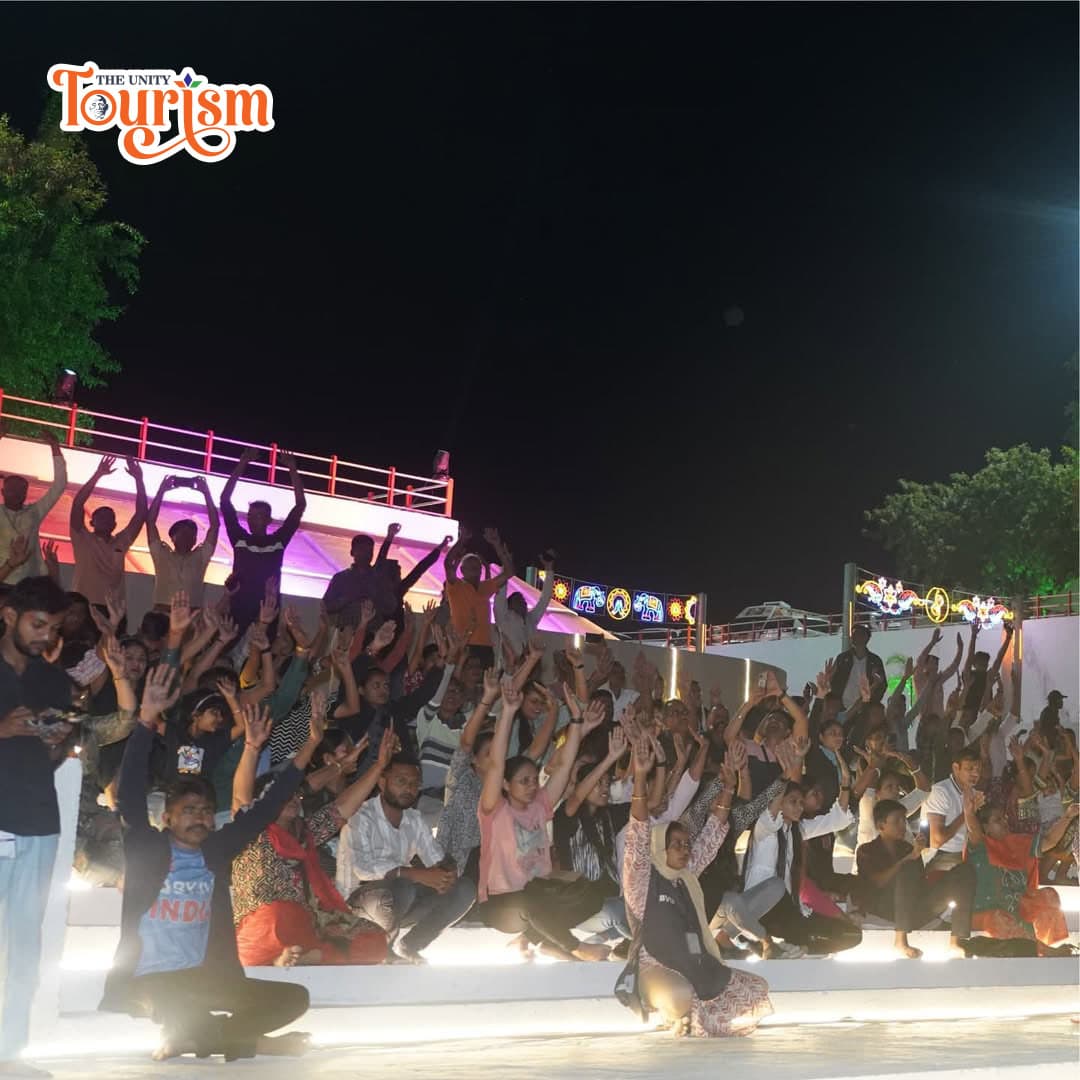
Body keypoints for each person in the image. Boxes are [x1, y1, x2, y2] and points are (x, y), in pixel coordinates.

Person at [100, 669, 311, 1063]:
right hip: (150, 979)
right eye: (188, 811)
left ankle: (197, 1038)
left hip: (202, 977)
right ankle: (251, 1043)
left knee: (294, 998)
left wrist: (307, 744)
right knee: (181, 1007)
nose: (199, 818)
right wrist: (145, 721)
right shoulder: (148, 848)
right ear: (167, 818)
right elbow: (129, 795)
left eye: (204, 811)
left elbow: (265, 808)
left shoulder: (215, 851)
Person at [617, 734, 773, 1038]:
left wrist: (729, 787)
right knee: (680, 995)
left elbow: (713, 833)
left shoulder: (686, 875)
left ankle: (692, 1012)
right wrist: (640, 777)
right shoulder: (642, 878)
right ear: (659, 846)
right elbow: (638, 833)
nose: (685, 849)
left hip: (693, 963)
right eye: (676, 844)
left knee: (756, 988)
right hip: (655, 967)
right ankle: (675, 1011)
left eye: (686, 844)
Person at [231, 711, 388, 968]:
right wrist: (251, 747)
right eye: (283, 796)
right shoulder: (252, 832)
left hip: (310, 921)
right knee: (283, 914)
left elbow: (341, 808)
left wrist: (378, 766)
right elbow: (240, 797)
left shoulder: (305, 833)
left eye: (295, 795)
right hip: (265, 926)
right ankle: (294, 955)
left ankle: (312, 955)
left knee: (374, 938)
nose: (293, 799)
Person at [475, 679, 608, 961]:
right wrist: (508, 712)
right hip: (502, 903)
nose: (532, 786)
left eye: (534, 780)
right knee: (530, 900)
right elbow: (497, 764)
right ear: (506, 785)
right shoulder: (494, 811)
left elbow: (564, 766)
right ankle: (574, 947)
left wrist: (577, 724)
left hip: (540, 895)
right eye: (523, 781)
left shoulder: (539, 805)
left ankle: (534, 940)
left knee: (593, 895)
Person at [0, 576, 73, 1077]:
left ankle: (10, 1051)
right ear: (9, 616)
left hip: (39, 820)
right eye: (38, 624)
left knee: (26, 943)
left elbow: (52, 755)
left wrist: (55, 742)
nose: (46, 636)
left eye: (54, 628)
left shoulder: (53, 680)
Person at [337, 756, 476, 964]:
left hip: (398, 901)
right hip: (356, 905)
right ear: (382, 782)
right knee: (404, 885)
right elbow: (363, 869)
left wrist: (446, 873)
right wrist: (414, 874)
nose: (409, 788)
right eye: (401, 781)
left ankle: (410, 946)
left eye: (414, 784)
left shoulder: (413, 818)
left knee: (464, 889)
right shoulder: (361, 817)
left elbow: (436, 857)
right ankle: (383, 949)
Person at [742, 754, 862, 955]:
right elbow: (770, 813)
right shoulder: (764, 828)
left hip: (790, 912)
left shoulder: (798, 830)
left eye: (801, 802)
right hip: (763, 912)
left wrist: (845, 784)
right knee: (778, 891)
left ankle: (799, 946)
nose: (799, 807)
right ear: (779, 803)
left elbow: (836, 820)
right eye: (793, 802)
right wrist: (785, 777)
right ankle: (777, 942)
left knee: (852, 935)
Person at [856, 798, 975, 959]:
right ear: (881, 825)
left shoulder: (908, 849)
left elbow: (919, 886)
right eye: (896, 821)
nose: (902, 826)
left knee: (964, 871)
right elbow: (877, 882)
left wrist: (920, 855)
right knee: (908, 867)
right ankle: (900, 941)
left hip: (914, 908)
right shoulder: (866, 850)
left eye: (903, 820)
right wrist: (907, 860)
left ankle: (956, 942)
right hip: (884, 907)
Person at [964, 787, 1076, 953]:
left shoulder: (1017, 842)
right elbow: (974, 829)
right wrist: (969, 813)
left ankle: (1046, 947)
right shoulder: (980, 846)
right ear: (985, 827)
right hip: (986, 912)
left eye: (1005, 818)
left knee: (1048, 895)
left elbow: (1049, 841)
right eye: (998, 820)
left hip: (1018, 908)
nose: (1005, 822)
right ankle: (1045, 951)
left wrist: (1068, 816)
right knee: (999, 917)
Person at [219, 448, 306, 634]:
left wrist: (292, 469)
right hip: (238, 608)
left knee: (262, 651)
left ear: (269, 520)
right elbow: (225, 500)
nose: (252, 520)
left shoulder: (278, 542)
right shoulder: (240, 539)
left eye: (258, 516)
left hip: (267, 611)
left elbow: (300, 505)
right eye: (250, 516)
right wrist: (242, 463)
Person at [69, 454, 148, 609]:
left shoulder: (121, 541)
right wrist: (97, 475)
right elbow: (78, 504)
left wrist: (139, 480)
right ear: (92, 522)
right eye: (101, 517)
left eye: (109, 518)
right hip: (83, 606)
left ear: (114, 524)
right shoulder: (81, 537)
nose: (105, 520)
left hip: (113, 609)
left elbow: (141, 514)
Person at [0, 426, 67, 584]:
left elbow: (60, 484)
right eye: (12, 490)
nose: (16, 493)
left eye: (21, 490)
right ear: (2, 492)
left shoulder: (34, 511)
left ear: (26, 493)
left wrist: (55, 447)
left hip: (28, 583)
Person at [145, 475, 220, 611]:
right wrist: (161, 491)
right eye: (183, 533)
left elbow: (215, 525)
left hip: (191, 615)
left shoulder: (202, 556)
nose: (187, 537)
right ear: (172, 537)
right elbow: (150, 522)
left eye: (191, 534)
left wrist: (207, 494)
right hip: (161, 614)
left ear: (195, 540)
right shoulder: (160, 553)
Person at [443, 526, 514, 665]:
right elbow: (448, 564)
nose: (475, 570)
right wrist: (461, 540)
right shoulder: (456, 586)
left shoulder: (485, 586)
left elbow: (509, 572)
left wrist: (497, 544)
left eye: (478, 567)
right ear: (462, 570)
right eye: (471, 567)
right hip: (463, 645)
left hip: (485, 646)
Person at [492, 550, 555, 668]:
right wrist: (505, 564)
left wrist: (549, 569)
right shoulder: (503, 617)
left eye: (524, 601)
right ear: (509, 605)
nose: (523, 603)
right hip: (508, 669)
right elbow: (501, 591)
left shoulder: (531, 619)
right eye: (518, 601)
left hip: (529, 669)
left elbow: (545, 599)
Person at [924, 746, 981, 872]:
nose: (976, 774)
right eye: (970, 769)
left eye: (978, 769)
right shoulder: (941, 792)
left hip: (967, 854)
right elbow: (937, 840)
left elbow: (976, 838)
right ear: (956, 768)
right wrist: (967, 813)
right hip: (943, 856)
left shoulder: (973, 793)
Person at [830, 624, 886, 713]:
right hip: (842, 708)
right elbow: (833, 680)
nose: (854, 637)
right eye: (853, 635)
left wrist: (872, 702)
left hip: (865, 708)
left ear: (866, 638)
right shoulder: (842, 658)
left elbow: (882, 685)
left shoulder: (875, 661)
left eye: (858, 634)